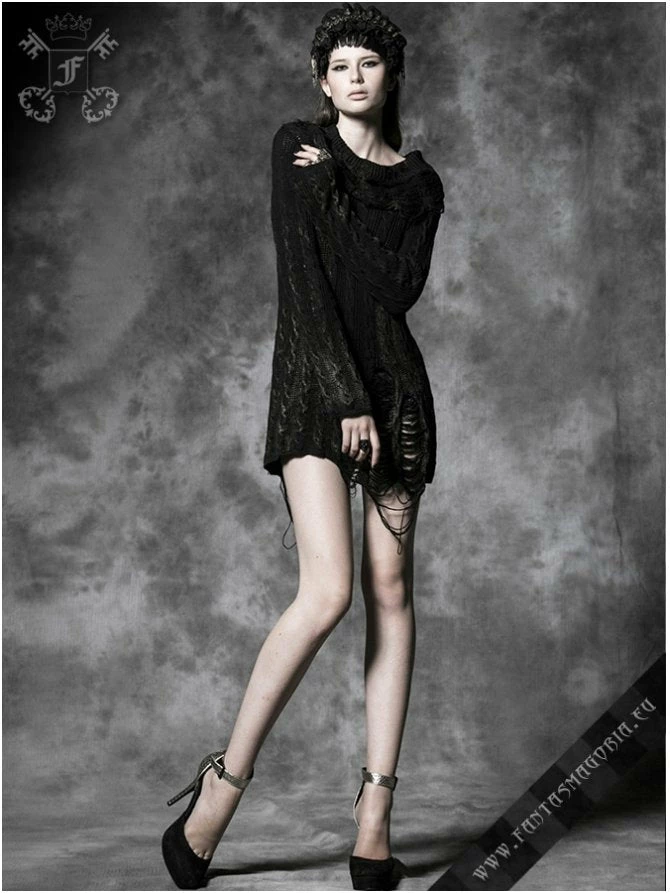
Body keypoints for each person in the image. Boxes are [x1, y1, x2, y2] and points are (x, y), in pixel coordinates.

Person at [161, 3, 445, 890]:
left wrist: (339, 194)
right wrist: (345, 397)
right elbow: (304, 280)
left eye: (369, 64)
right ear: (321, 81)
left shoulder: (419, 184)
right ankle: (222, 786)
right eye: (339, 66)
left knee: (391, 594)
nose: (354, 77)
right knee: (327, 592)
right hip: (318, 391)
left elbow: (395, 288)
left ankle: (375, 818)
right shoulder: (296, 146)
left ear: (391, 77)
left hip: (397, 398)